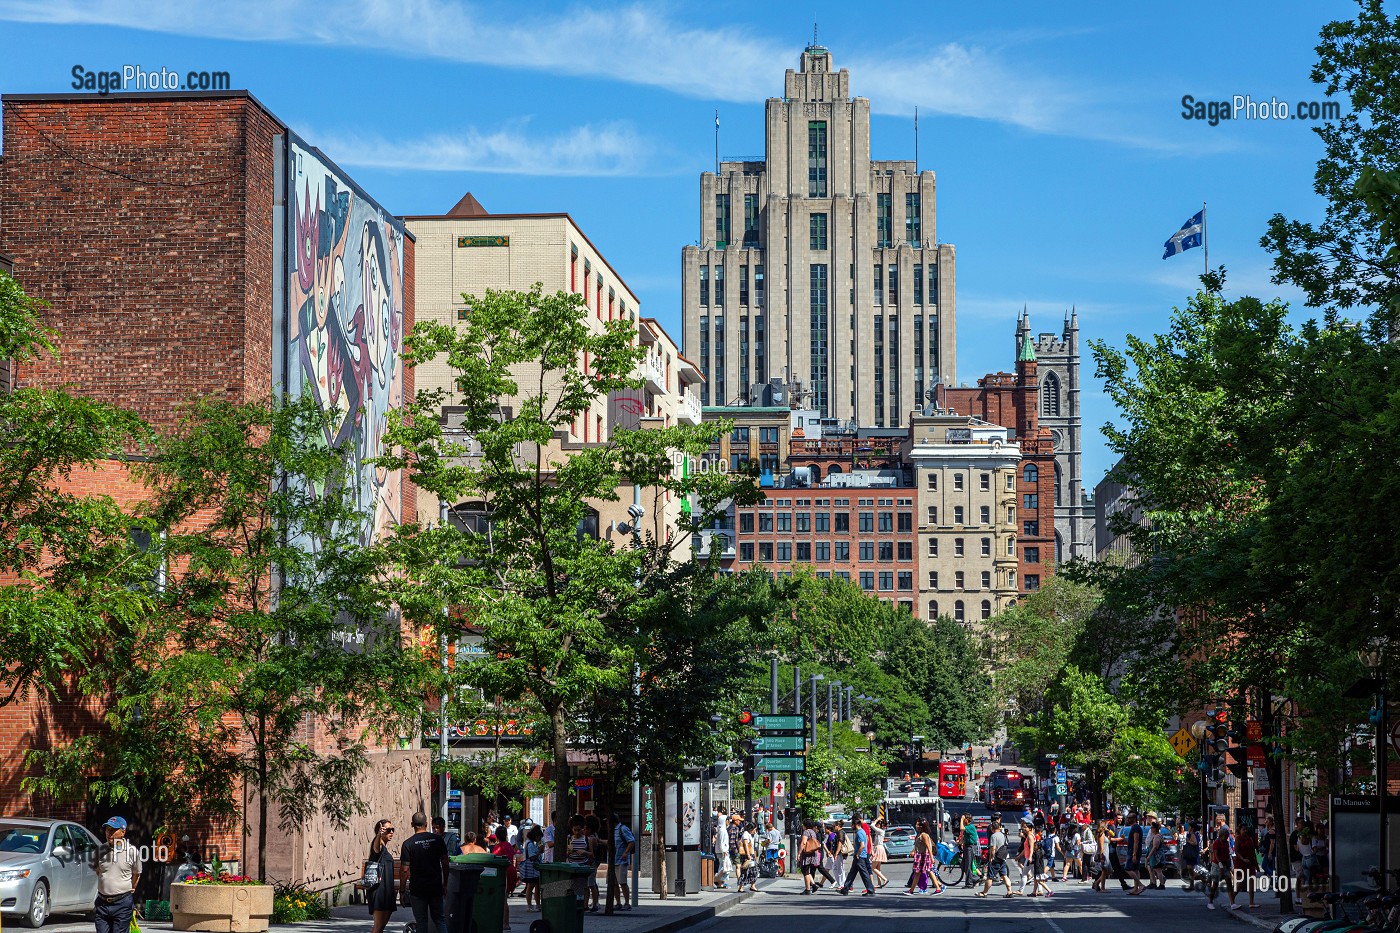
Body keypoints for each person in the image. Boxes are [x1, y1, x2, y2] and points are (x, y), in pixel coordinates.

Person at [399, 812, 449, 933]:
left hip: (418, 889)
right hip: (435, 887)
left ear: (412, 824)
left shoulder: (408, 844)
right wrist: (445, 884)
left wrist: (401, 891)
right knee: (440, 920)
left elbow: (404, 869)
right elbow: (445, 863)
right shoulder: (438, 840)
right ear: (427, 824)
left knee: (421, 922)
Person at [94, 816, 142, 933]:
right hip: (102, 904)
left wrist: (132, 888)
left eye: (113, 830)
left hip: (122, 904)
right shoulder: (100, 850)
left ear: (123, 832)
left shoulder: (132, 851)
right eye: (107, 830)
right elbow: (98, 872)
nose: (109, 833)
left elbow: (136, 874)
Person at [364, 820, 397, 933]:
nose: (391, 832)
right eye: (388, 830)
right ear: (381, 831)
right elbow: (376, 848)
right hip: (379, 891)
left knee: (381, 926)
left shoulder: (385, 848)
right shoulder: (378, 846)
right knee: (378, 927)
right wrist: (378, 835)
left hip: (387, 891)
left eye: (392, 829)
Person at [837, 814, 875, 896]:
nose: (851, 826)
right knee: (852, 873)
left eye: (852, 825)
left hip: (860, 856)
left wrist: (858, 854)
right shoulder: (861, 832)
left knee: (864, 873)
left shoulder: (860, 833)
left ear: (856, 824)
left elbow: (862, 845)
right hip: (859, 856)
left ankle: (870, 890)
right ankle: (845, 889)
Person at [976, 817, 1014, 898]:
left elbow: (993, 848)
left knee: (989, 877)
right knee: (1004, 875)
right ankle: (1010, 891)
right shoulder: (1003, 835)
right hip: (1002, 857)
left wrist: (991, 857)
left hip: (996, 858)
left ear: (992, 828)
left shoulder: (993, 836)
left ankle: (984, 892)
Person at [906, 819, 943, 895]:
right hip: (920, 855)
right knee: (918, 873)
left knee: (928, 871)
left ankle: (938, 888)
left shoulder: (924, 835)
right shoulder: (920, 834)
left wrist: (931, 857)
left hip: (923, 856)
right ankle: (911, 890)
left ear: (921, 826)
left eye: (917, 824)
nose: (916, 826)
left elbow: (928, 846)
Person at [489, 831, 517, 929]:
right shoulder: (509, 845)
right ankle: (505, 923)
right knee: (505, 897)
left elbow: (493, 858)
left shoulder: (499, 846)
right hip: (511, 870)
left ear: (497, 836)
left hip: (504, 871)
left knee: (503, 899)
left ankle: (505, 923)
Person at [1205, 824, 1233, 910]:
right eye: (1224, 837)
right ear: (1221, 836)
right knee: (1215, 884)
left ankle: (1232, 902)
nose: (1226, 838)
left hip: (1225, 864)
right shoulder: (1216, 843)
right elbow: (1216, 855)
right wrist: (1220, 864)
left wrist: (1229, 864)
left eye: (1227, 837)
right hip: (1217, 864)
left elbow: (1227, 853)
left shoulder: (1226, 842)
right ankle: (1210, 901)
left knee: (1229, 883)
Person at [611, 813, 635, 910]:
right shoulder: (612, 831)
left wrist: (625, 853)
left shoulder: (622, 829)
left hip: (621, 860)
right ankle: (618, 903)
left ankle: (627, 903)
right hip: (613, 860)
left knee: (622, 882)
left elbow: (632, 841)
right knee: (614, 883)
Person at [518, 825, 544, 913]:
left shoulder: (531, 843)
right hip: (531, 868)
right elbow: (532, 857)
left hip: (534, 869)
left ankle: (537, 904)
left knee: (536, 886)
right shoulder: (530, 844)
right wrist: (539, 851)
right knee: (531, 886)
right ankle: (529, 905)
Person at [1233, 822, 1258, 910]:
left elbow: (1253, 851)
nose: (1245, 831)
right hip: (1240, 862)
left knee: (1252, 881)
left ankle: (1251, 902)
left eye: (1246, 829)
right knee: (1241, 882)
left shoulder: (1250, 839)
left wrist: (1256, 864)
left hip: (1250, 862)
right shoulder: (1238, 838)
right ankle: (1232, 898)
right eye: (1244, 829)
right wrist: (1243, 859)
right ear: (1240, 830)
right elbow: (1236, 851)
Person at [584, 815, 605, 911]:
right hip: (592, 863)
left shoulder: (591, 838)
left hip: (590, 863)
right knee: (590, 884)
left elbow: (592, 853)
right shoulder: (595, 836)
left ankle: (595, 903)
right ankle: (589, 903)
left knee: (591, 884)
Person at [1123, 810, 1146, 895]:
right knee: (1136, 870)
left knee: (1128, 869)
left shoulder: (1135, 827)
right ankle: (1136, 889)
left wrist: (1134, 854)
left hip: (1133, 852)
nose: (1127, 819)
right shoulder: (1135, 827)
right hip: (1133, 851)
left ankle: (1140, 885)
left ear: (1133, 819)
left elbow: (1136, 841)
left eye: (1129, 818)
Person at [1179, 821, 1202, 892]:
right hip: (1191, 853)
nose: (1188, 828)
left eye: (1189, 827)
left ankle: (1203, 878)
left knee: (1191, 868)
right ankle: (1192, 885)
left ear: (1192, 828)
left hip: (1192, 853)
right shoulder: (1192, 834)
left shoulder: (1192, 835)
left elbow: (1195, 843)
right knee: (1190, 869)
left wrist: (1188, 841)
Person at [1144, 815, 1166, 890]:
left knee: (1158, 870)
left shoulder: (1157, 836)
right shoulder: (1156, 835)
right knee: (1152, 868)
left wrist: (1149, 856)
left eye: (1152, 828)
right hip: (1155, 855)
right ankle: (1153, 883)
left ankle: (1162, 884)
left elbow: (1155, 847)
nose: (1151, 829)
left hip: (1157, 856)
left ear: (1155, 829)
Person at [1029, 826, 1052, 897]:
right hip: (1039, 868)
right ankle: (1034, 892)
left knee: (1040, 881)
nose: (1033, 846)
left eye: (1035, 846)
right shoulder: (1041, 852)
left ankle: (1050, 891)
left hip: (1038, 869)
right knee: (1036, 880)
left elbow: (1036, 861)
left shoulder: (1037, 853)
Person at [1088, 820, 1110, 893]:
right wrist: (1101, 857)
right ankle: (1097, 884)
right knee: (1105, 871)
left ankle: (1100, 886)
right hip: (1104, 854)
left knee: (1105, 871)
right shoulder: (1101, 835)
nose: (1107, 826)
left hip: (1105, 853)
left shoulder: (1103, 834)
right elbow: (1101, 847)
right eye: (1106, 825)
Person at [869, 818, 891, 888]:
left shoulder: (880, 831)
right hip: (878, 848)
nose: (876, 825)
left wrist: (877, 819)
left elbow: (872, 825)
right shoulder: (880, 831)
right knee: (877, 868)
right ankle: (879, 883)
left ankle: (885, 879)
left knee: (873, 868)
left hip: (878, 848)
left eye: (877, 824)